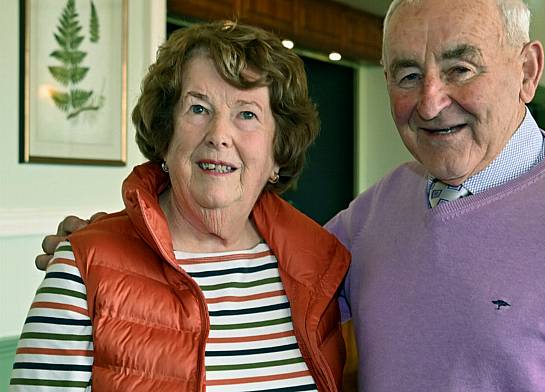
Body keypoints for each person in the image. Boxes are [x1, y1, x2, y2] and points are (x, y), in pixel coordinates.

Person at [34, 0, 545, 391]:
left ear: (527, 71)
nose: (432, 100)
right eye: (407, 74)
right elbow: (214, 248)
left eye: (460, 67)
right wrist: (107, 240)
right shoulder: (365, 222)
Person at [11, 20, 350, 392]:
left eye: (247, 114)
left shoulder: (320, 264)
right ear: (165, 135)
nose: (219, 135)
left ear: (278, 155)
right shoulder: (81, 266)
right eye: (198, 109)